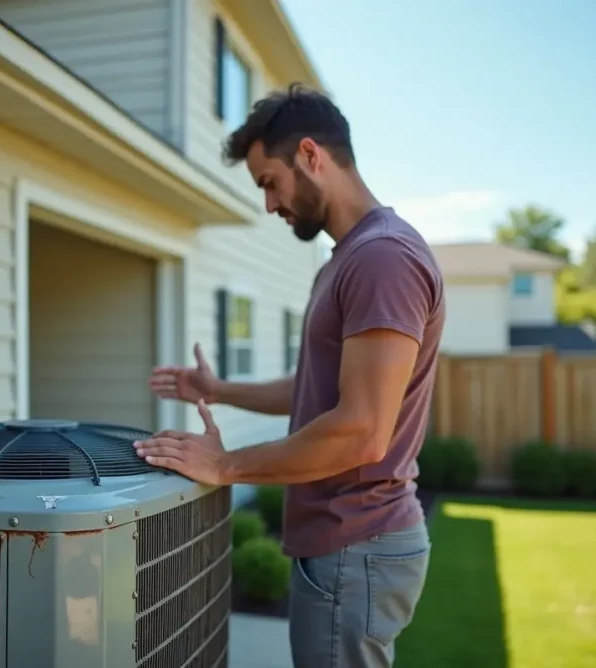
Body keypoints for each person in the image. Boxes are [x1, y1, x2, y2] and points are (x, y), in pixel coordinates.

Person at [135, 82, 446, 668]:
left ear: (310, 155)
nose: (270, 205)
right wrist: (220, 391)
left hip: (357, 541)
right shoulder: (350, 259)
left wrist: (226, 465)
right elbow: (314, 391)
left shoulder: (382, 260)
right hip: (345, 542)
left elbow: (361, 431)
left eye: (269, 183)